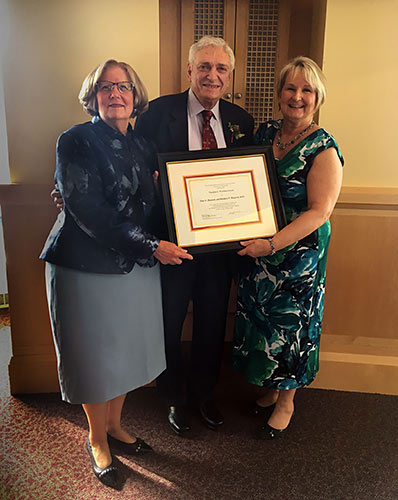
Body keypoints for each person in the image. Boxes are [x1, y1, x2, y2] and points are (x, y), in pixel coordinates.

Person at [40, 59, 192, 488]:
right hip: (84, 264)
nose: (115, 94)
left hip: (135, 267)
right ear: (93, 96)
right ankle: (96, 438)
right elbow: (91, 213)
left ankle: (116, 425)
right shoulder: (75, 140)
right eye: (105, 87)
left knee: (124, 352)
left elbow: (152, 204)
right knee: (93, 356)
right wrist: (153, 246)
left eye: (123, 86)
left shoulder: (143, 145)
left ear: (135, 94)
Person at [135, 36, 254, 435]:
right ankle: (172, 399)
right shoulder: (155, 115)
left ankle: (204, 395)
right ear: (189, 71)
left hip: (221, 248)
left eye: (221, 69)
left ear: (229, 75)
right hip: (172, 244)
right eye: (204, 66)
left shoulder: (241, 120)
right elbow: (135, 172)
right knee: (168, 322)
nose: (212, 75)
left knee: (210, 322)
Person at [233, 56, 343, 439]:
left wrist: (273, 244)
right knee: (263, 322)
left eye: (307, 90)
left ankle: (286, 402)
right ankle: (270, 387)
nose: (297, 97)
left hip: (298, 254)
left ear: (318, 97)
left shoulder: (324, 148)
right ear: (280, 93)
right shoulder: (264, 134)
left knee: (293, 325)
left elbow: (319, 212)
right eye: (290, 88)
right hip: (258, 251)